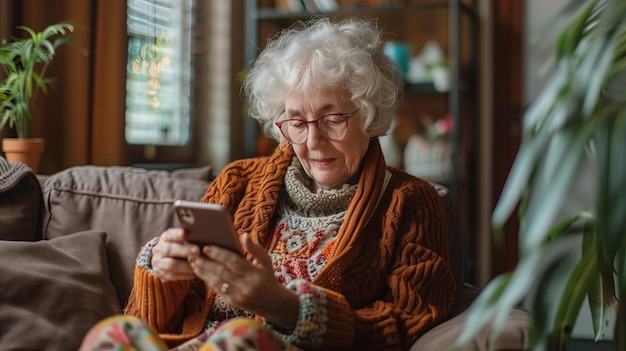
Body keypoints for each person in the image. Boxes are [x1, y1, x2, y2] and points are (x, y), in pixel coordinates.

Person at [80, 17, 455, 351]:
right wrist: (162, 271)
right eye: (296, 122)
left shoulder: (411, 203)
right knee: (115, 334)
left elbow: (408, 322)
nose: (312, 141)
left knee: (240, 337)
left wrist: (286, 307)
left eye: (333, 119)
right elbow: (156, 321)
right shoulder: (238, 182)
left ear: (369, 114)